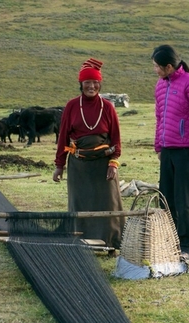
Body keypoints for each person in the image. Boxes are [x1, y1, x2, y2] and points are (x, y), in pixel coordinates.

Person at [53, 58, 125, 252]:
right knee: (80, 202)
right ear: (81, 84)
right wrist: (59, 165)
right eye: (87, 83)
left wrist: (113, 163)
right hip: (79, 165)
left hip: (104, 164)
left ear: (100, 84)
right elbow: (63, 137)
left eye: (95, 82)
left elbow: (116, 139)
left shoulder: (108, 107)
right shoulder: (72, 106)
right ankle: (82, 243)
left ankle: (110, 243)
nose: (91, 86)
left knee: (108, 202)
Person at [151, 45, 189, 262]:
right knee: (165, 198)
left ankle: (188, 245)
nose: (155, 70)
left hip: (186, 151)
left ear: (169, 66)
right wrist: (159, 145)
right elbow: (160, 117)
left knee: (183, 199)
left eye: (157, 66)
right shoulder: (160, 85)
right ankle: (170, 241)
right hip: (167, 150)